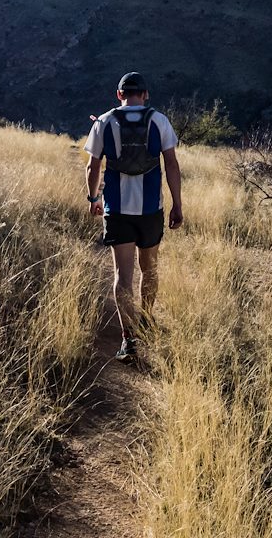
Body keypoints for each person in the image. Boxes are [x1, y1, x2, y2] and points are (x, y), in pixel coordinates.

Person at [83, 71, 183, 363]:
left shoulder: (104, 121)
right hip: (151, 210)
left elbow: (92, 167)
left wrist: (93, 199)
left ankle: (128, 339)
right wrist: (177, 204)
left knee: (121, 275)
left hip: (117, 210)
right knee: (149, 268)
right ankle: (147, 319)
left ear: (119, 95)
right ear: (146, 94)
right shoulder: (159, 120)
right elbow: (173, 166)